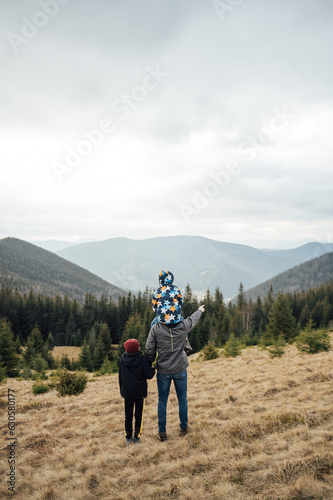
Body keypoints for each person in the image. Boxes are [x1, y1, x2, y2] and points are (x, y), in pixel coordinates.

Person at [145, 304, 205, 441]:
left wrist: (149, 365)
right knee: (182, 399)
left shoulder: (156, 329)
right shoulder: (183, 326)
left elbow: (149, 349)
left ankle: (162, 433)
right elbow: (193, 319)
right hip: (180, 369)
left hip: (163, 370)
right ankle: (183, 428)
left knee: (162, 401)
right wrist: (200, 310)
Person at [119, 338, 155, 446]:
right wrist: (153, 369)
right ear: (137, 348)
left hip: (127, 392)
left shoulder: (122, 359)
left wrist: (122, 389)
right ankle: (137, 436)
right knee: (139, 415)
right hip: (139, 392)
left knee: (128, 415)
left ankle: (128, 437)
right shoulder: (142, 359)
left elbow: (120, 376)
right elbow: (148, 375)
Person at [151, 270, 192, 351]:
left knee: (152, 324)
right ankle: (186, 342)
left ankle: (154, 342)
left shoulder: (157, 292)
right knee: (183, 324)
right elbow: (180, 303)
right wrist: (177, 310)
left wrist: (159, 314)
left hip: (162, 318)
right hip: (176, 316)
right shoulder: (176, 289)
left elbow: (154, 307)